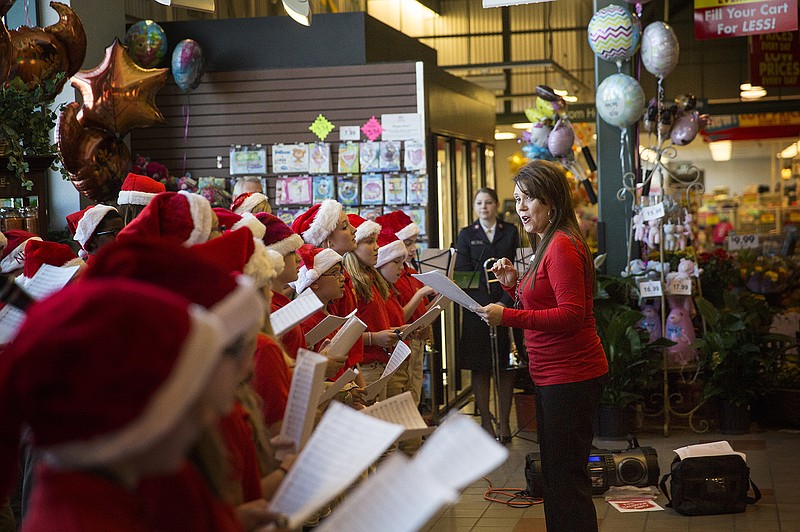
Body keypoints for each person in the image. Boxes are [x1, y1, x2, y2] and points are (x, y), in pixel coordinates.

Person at [475, 160, 608, 532]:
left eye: (528, 198)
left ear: (550, 201)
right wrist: (513, 285)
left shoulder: (562, 244)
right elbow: (542, 303)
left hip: (571, 376)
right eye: (516, 199)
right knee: (555, 476)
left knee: (566, 479)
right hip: (553, 375)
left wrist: (507, 316)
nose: (520, 208)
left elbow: (569, 315)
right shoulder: (547, 241)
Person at [455, 187, 519, 442]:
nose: (484, 207)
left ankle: (504, 422)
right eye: (479, 202)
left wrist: (503, 302)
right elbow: (462, 274)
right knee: (480, 367)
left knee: (506, 366)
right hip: (476, 310)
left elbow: (517, 265)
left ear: (496, 206)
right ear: (474, 206)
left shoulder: (511, 231)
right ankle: (486, 422)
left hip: (506, 307)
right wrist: (483, 307)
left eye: (489, 202)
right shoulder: (466, 234)